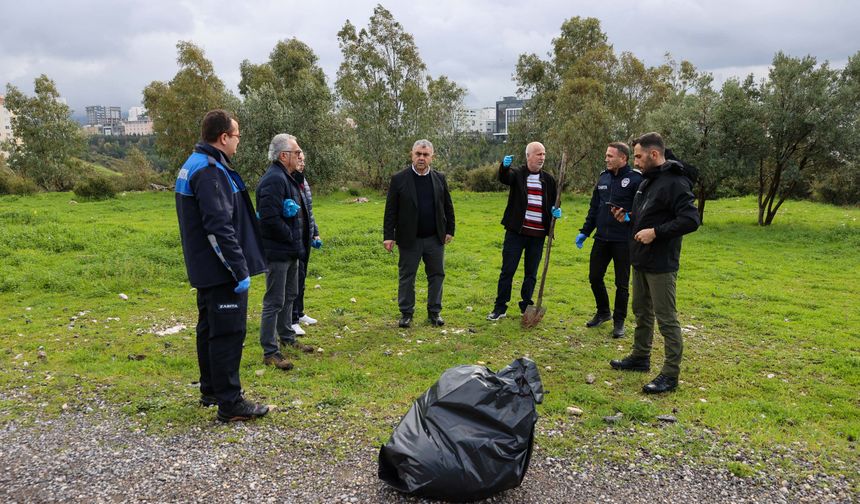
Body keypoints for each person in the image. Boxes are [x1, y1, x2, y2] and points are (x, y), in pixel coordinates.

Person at [174, 109, 269, 423]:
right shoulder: (210, 171)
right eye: (237, 135)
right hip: (220, 270)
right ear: (223, 137)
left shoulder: (194, 163)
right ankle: (230, 402)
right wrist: (238, 269)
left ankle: (211, 389)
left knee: (209, 329)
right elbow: (218, 227)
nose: (239, 141)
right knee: (228, 332)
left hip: (205, 268)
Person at [609, 132, 700, 394]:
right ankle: (640, 357)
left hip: (661, 263)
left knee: (666, 319)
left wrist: (656, 233)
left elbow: (691, 219)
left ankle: (670, 375)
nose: (635, 162)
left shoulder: (675, 182)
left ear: (654, 154)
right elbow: (647, 215)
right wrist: (628, 218)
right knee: (641, 311)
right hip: (640, 259)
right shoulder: (648, 180)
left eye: (638, 156)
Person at [256, 133, 316, 371]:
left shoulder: (288, 177)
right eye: (296, 152)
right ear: (283, 155)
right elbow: (269, 218)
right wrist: (291, 236)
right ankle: (270, 351)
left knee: (290, 294)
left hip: (291, 250)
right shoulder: (274, 180)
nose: (300, 156)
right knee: (274, 301)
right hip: (278, 250)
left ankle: (287, 338)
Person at [383, 139, 455, 328]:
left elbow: (447, 206)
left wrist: (450, 230)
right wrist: (388, 236)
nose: (421, 158)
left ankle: (434, 312)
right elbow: (390, 210)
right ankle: (406, 313)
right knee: (407, 276)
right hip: (409, 239)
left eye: (425, 155)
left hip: (435, 238)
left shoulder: (439, 178)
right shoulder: (399, 179)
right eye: (418, 154)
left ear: (432, 157)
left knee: (437, 275)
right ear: (412, 155)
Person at [487, 142, 562, 321]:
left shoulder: (549, 179)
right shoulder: (518, 174)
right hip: (516, 233)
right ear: (528, 156)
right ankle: (500, 307)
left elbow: (554, 201)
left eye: (544, 154)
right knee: (507, 271)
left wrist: (555, 211)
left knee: (531, 274)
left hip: (537, 235)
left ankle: (526, 306)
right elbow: (505, 178)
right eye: (538, 154)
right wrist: (504, 167)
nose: (542, 157)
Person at [575, 142, 642, 338]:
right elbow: (594, 208)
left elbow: (643, 210)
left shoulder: (636, 179)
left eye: (610, 156)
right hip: (602, 238)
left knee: (622, 284)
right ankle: (603, 311)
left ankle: (619, 321)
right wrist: (585, 231)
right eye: (606, 155)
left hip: (623, 240)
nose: (606, 159)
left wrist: (629, 217)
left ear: (623, 158)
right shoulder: (603, 177)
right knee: (595, 277)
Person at [289, 156, 322, 336]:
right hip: (295, 237)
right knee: (295, 278)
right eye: (299, 160)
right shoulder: (288, 181)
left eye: (303, 161)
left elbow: (309, 211)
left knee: (302, 277)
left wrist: (315, 232)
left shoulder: (303, 181)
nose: (302, 164)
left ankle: (299, 312)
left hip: (306, 236)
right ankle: (292, 319)